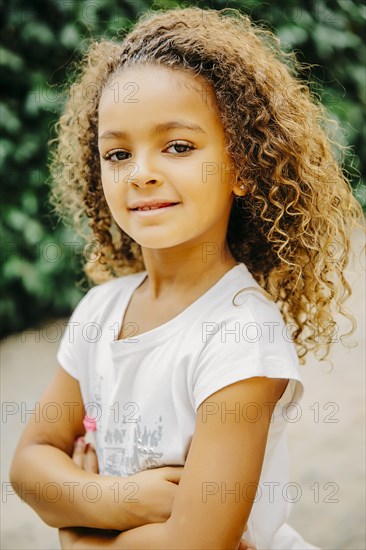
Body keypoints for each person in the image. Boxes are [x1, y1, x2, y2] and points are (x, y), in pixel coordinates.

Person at [10, 6, 364, 550]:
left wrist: (79, 534)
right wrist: (119, 500)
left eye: (178, 146)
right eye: (118, 152)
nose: (141, 171)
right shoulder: (100, 311)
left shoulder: (241, 337)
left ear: (242, 167)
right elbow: (29, 466)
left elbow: (195, 543)